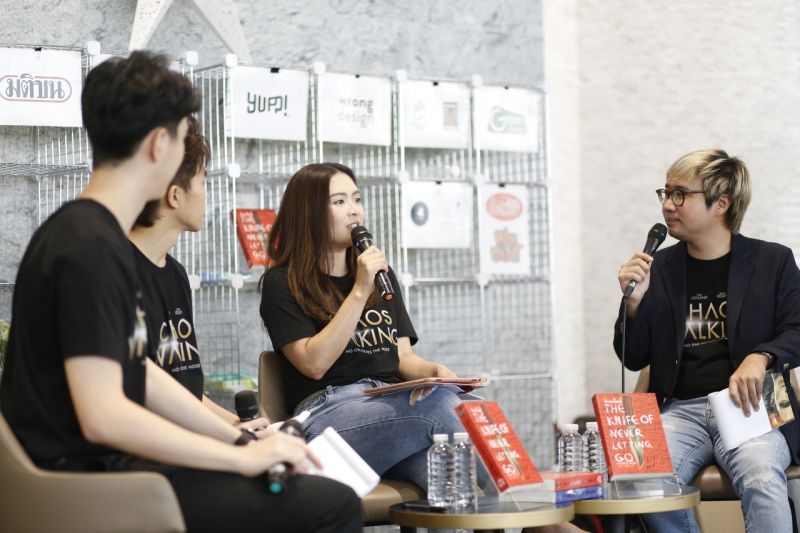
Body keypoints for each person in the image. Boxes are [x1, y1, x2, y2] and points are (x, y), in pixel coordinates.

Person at [0, 51, 361, 533]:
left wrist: (239, 440)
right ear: (158, 144)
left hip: (109, 467)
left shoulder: (92, 236)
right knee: (333, 505)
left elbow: (141, 374)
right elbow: (104, 417)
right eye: (181, 137)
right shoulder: (89, 247)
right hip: (87, 480)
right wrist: (239, 459)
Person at [259, 162, 487, 491]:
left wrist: (434, 372)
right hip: (327, 416)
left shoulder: (381, 276)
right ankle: (527, 510)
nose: (354, 210)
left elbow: (402, 358)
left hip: (389, 404)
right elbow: (313, 364)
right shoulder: (283, 282)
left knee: (450, 467)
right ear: (307, 213)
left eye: (357, 199)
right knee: (440, 408)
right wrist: (360, 290)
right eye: (339, 202)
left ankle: (502, 511)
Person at [615, 148, 800, 532]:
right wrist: (633, 305)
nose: (667, 205)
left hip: (751, 406)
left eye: (680, 194)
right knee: (643, 475)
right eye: (665, 193)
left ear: (721, 203)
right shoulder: (659, 268)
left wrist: (761, 356)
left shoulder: (773, 261)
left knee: (761, 476)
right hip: (679, 409)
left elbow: (797, 328)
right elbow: (633, 357)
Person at [128, 115, 270, 438]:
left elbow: (187, 395)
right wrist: (232, 440)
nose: (207, 195)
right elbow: (141, 394)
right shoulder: (117, 272)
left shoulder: (176, 274)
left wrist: (239, 427)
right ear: (175, 195)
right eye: (203, 182)